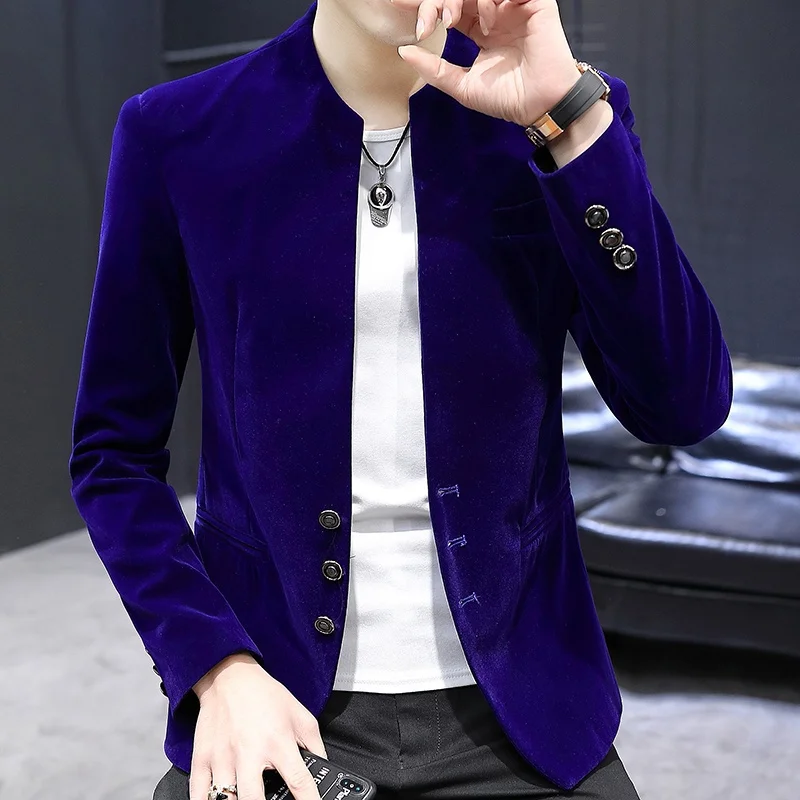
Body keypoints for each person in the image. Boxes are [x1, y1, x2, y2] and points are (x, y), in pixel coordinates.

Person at [68, 0, 733, 798]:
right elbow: (113, 456)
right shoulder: (179, 132)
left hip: (530, 705)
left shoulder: (557, 112)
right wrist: (215, 664)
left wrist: (571, 121)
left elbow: (683, 406)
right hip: (275, 696)